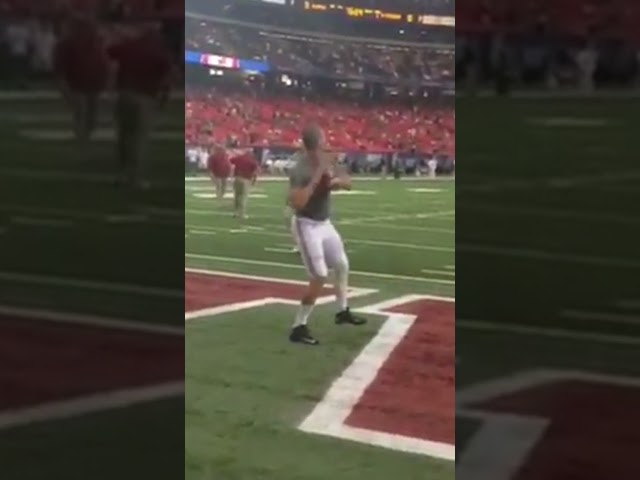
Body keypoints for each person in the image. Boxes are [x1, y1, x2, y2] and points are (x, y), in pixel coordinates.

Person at [287, 124, 366, 345]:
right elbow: (297, 203)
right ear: (318, 141)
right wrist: (318, 177)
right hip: (306, 223)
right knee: (320, 275)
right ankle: (298, 326)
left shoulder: (327, 160)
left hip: (324, 223)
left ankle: (342, 312)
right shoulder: (300, 169)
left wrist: (336, 182)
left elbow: (349, 183)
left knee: (341, 264)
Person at [107, 22, 173, 189]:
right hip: (145, 97)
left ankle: (121, 175)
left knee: (123, 137)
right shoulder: (159, 51)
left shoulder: (129, 46)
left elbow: (109, 52)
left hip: (124, 95)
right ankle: (135, 177)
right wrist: (163, 100)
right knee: (139, 139)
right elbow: (168, 78)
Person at [54, 15, 109, 145]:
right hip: (76, 84)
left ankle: (86, 137)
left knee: (91, 114)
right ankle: (81, 138)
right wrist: (63, 86)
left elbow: (103, 62)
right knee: (81, 111)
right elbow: (60, 68)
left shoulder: (96, 41)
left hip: (93, 83)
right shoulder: (65, 43)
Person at [230, 150, 259, 218]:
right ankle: (242, 214)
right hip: (246, 179)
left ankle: (236, 212)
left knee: (237, 196)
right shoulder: (252, 161)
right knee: (243, 197)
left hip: (237, 178)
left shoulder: (239, 158)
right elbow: (255, 172)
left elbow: (230, 161)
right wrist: (254, 180)